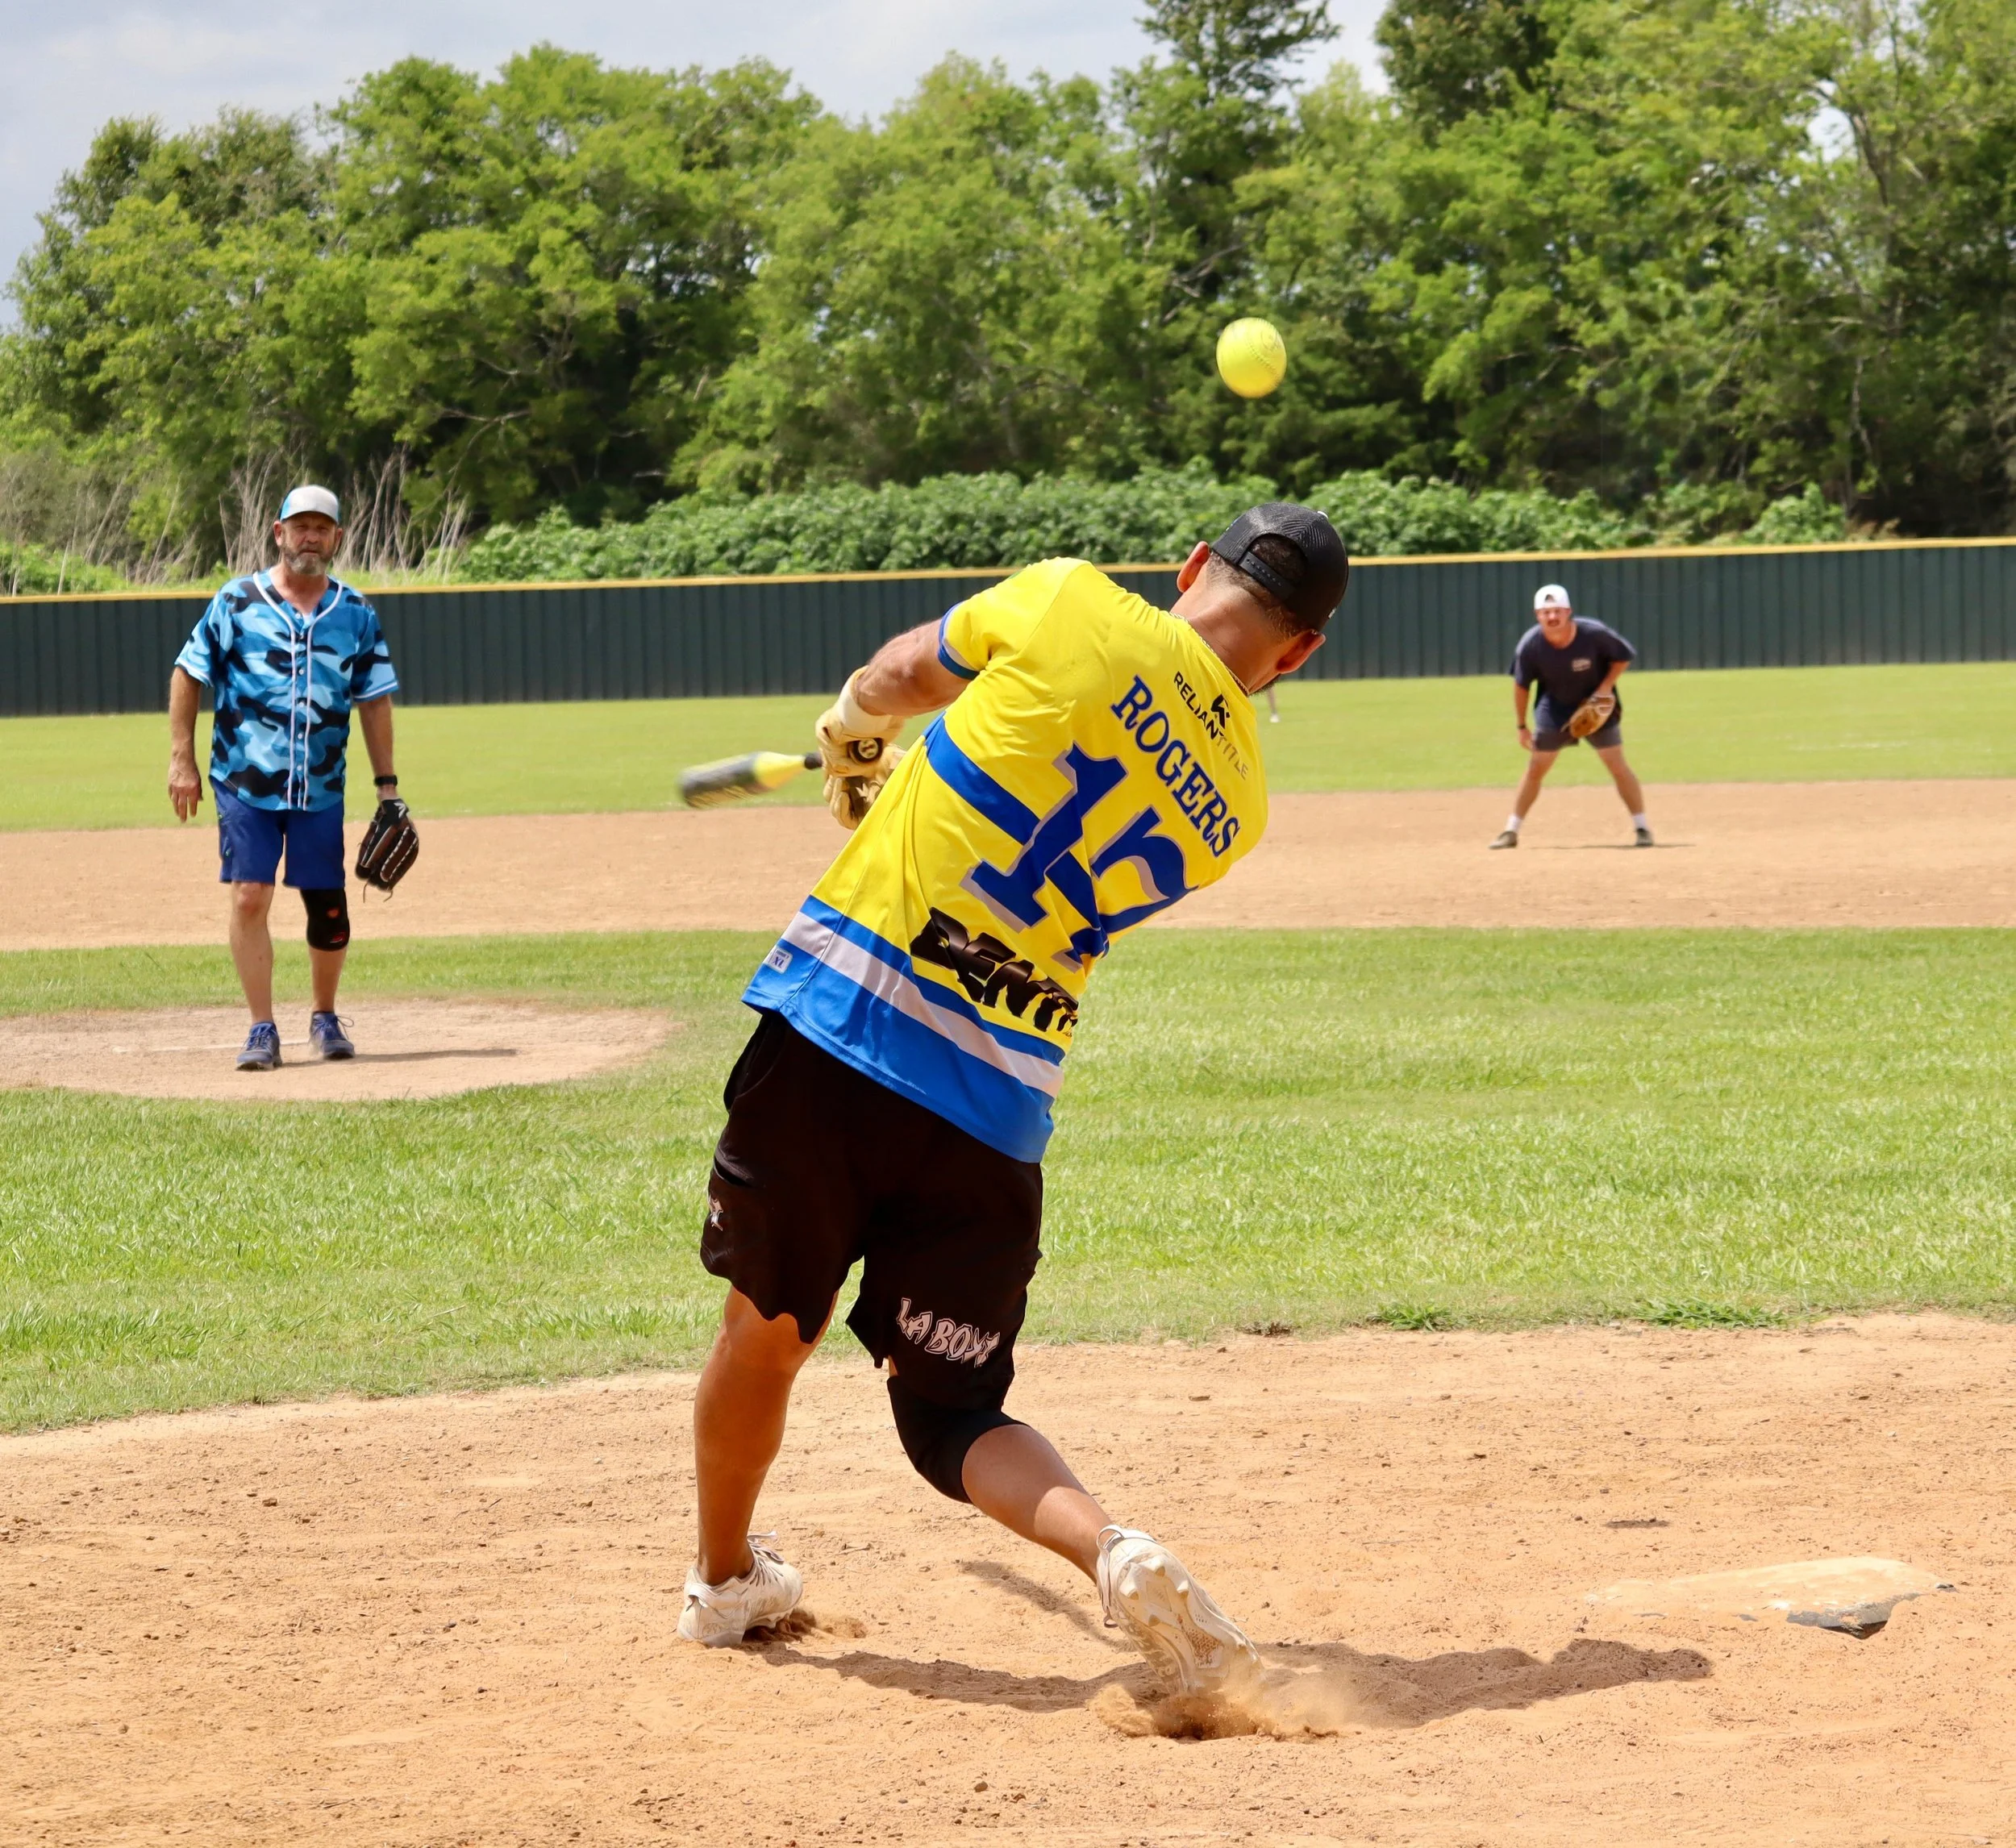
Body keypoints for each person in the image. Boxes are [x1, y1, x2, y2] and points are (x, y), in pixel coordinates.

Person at [682, 505, 1348, 1693]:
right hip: (993, 1108)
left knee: (768, 1333)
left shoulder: (1073, 596)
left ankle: (726, 1581)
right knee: (950, 1416)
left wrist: (853, 731)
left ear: (1194, 567)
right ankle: (1115, 1548)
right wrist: (903, 796)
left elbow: (902, 673)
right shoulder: (1238, 806)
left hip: (844, 1027)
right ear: (1297, 654)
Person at [165, 485, 402, 1070]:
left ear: (338, 539)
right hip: (245, 780)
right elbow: (188, 671)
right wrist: (182, 758)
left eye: (322, 528)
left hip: (319, 785)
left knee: (327, 906)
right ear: (278, 533)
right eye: (300, 526)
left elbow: (374, 702)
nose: (310, 537)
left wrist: (388, 787)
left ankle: (324, 1015)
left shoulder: (355, 613)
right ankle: (261, 1027)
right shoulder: (237, 601)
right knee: (250, 895)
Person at [1490, 583, 1652, 849]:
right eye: (1546, 612)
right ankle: (1511, 831)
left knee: (1616, 765)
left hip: (1596, 706)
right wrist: (1521, 726)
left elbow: (1623, 656)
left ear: (1569, 612)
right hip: (1554, 708)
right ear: (1537, 615)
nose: (1552, 617)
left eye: (1557, 611)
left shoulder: (1594, 634)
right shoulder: (1530, 645)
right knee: (1536, 768)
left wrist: (1605, 687)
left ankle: (1643, 827)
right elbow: (1521, 686)